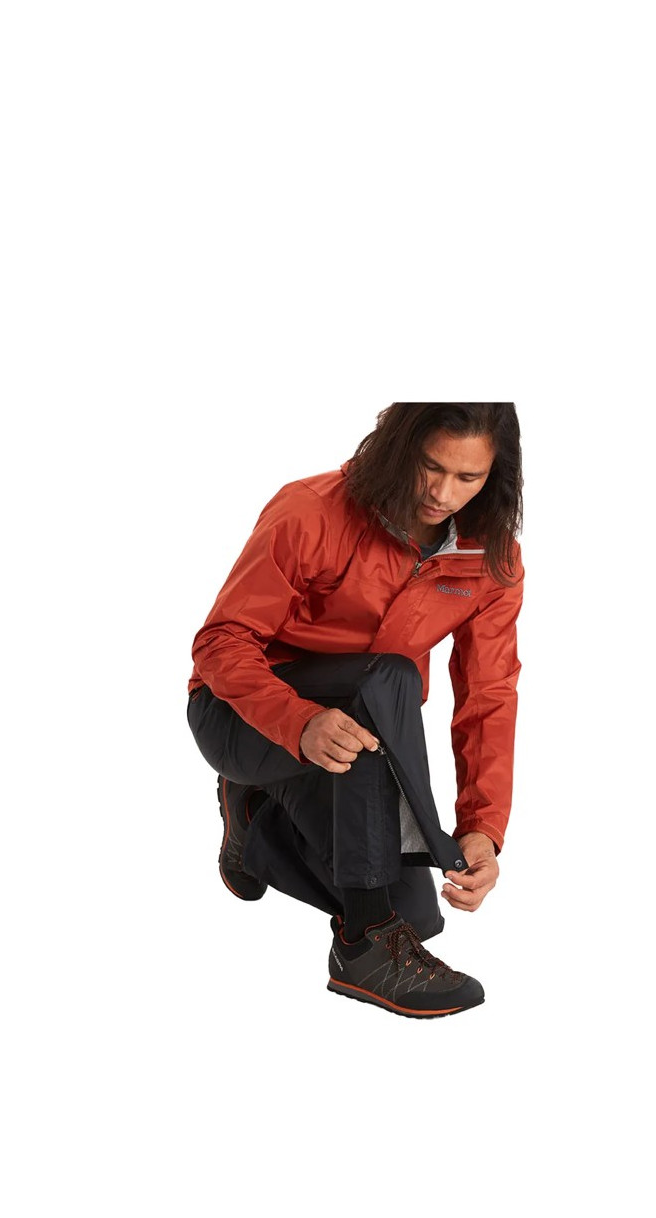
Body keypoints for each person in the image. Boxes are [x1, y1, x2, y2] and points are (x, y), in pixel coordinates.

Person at [186, 402, 524, 1018]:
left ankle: (253, 820)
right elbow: (220, 643)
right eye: (430, 467)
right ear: (399, 447)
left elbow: (488, 694)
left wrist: (482, 827)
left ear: (494, 475)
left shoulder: (490, 560)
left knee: (417, 918)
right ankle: (363, 945)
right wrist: (297, 720)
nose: (443, 493)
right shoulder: (311, 510)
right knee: (389, 678)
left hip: (360, 742)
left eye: (467, 477)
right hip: (241, 716)